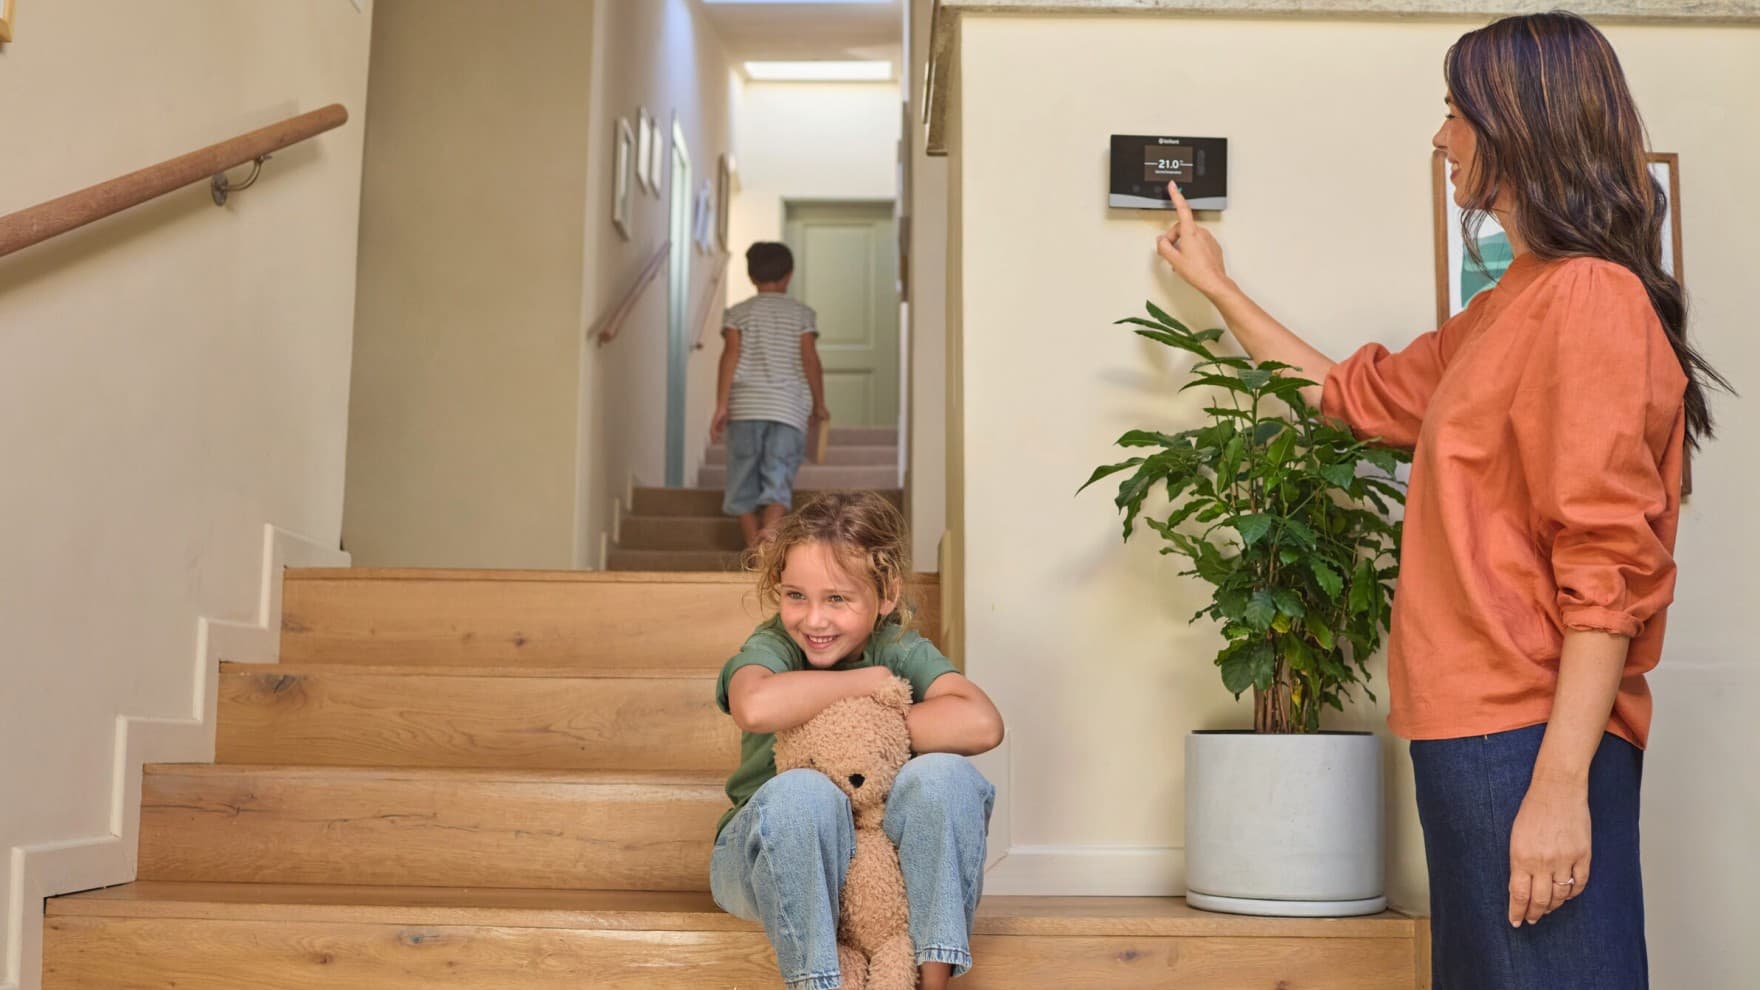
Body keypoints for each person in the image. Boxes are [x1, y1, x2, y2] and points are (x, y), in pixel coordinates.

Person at [1150, 12, 1728, 990]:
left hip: (1524, 736)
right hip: (1467, 736)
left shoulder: (1587, 298)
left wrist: (1555, 788)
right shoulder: (1508, 305)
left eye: (1453, 112)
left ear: (1515, 126)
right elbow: (1346, 395)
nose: (1438, 136)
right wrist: (1216, 287)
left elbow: (1604, 570)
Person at [710, 492, 1005, 990]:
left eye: (838, 598)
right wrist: (865, 686)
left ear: (885, 594)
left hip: (881, 873)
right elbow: (755, 705)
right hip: (768, 857)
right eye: (795, 595)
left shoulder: (896, 646)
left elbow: (981, 724)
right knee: (805, 793)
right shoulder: (775, 644)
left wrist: (873, 731)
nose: (814, 619)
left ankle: (930, 980)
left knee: (944, 775)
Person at [712, 242, 831, 549]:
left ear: (752, 277)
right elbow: (809, 359)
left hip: (745, 407)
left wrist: (721, 405)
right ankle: (769, 546)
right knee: (778, 477)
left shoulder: (738, 313)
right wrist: (819, 404)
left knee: (742, 478)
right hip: (788, 409)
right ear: (788, 276)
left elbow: (730, 355)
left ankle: (754, 548)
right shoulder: (801, 314)